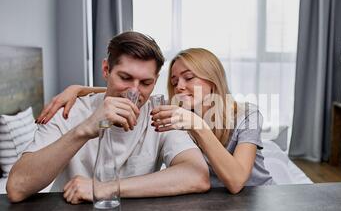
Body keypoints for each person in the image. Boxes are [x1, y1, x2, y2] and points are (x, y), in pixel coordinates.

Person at [7, 32, 210, 203]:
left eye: (146, 83)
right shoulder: (67, 110)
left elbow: (198, 176)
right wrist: (84, 130)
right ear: (106, 70)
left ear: (155, 81)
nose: (134, 92)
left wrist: (106, 188)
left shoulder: (160, 114)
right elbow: (17, 188)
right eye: (125, 78)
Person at [36, 48, 273, 194]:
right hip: (208, 203)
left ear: (213, 80)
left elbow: (236, 181)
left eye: (189, 78)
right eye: (174, 80)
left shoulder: (246, 115)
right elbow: (133, 92)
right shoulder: (172, 109)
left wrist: (197, 125)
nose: (179, 86)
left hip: (256, 200)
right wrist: (78, 89)